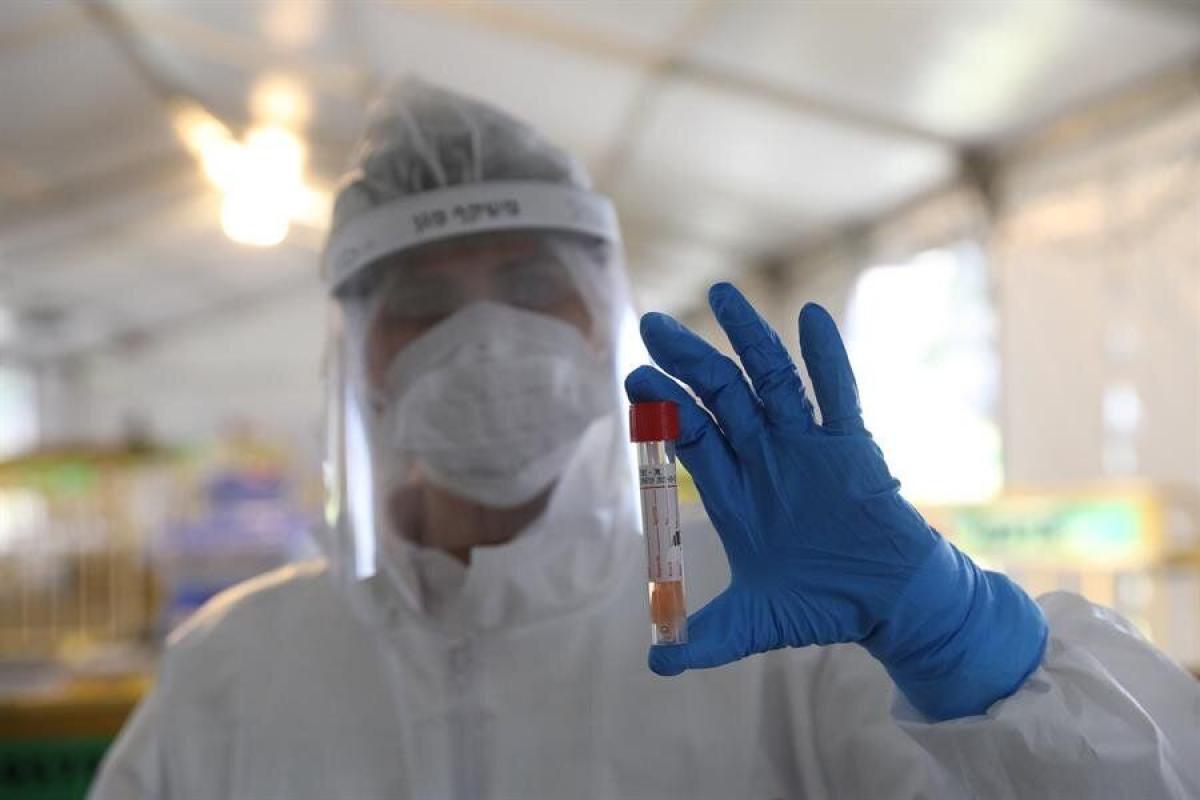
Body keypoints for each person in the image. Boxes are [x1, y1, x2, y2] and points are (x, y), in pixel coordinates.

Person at [90, 80, 1200, 799]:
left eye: (534, 285)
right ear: (356, 354)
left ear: (603, 313)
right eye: (422, 301)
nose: (487, 338)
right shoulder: (234, 670)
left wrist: (965, 643)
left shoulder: (779, 630)